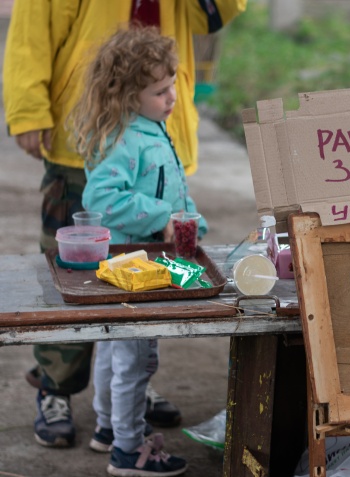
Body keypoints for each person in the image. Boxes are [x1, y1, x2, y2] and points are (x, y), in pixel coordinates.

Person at [2, 0, 246, 448]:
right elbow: (30, 32)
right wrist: (27, 108)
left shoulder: (161, 106)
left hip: (155, 133)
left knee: (133, 313)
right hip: (83, 135)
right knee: (73, 278)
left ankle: (123, 400)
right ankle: (57, 387)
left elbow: (214, 15)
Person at [68, 26, 209, 476]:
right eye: (160, 91)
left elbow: (166, 191)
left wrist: (189, 221)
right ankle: (129, 451)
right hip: (134, 266)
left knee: (115, 349)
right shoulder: (128, 140)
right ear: (128, 96)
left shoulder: (149, 128)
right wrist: (161, 218)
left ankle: (110, 428)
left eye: (172, 87)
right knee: (136, 359)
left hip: (141, 260)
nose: (171, 98)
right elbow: (102, 200)